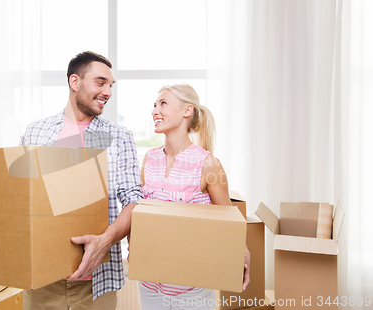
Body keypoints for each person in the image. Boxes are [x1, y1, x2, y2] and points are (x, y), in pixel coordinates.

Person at [20, 51, 142, 310]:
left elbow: (134, 202)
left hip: (96, 285)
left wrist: (105, 242)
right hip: (42, 280)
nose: (108, 91)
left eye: (111, 85)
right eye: (100, 82)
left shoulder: (119, 137)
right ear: (74, 82)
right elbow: (22, 196)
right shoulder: (36, 131)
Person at [135, 84, 250, 310]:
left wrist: (242, 255)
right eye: (154, 105)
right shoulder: (150, 159)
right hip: (149, 284)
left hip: (191, 288)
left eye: (163, 103)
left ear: (187, 111)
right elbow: (140, 213)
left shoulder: (208, 164)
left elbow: (229, 223)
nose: (155, 110)